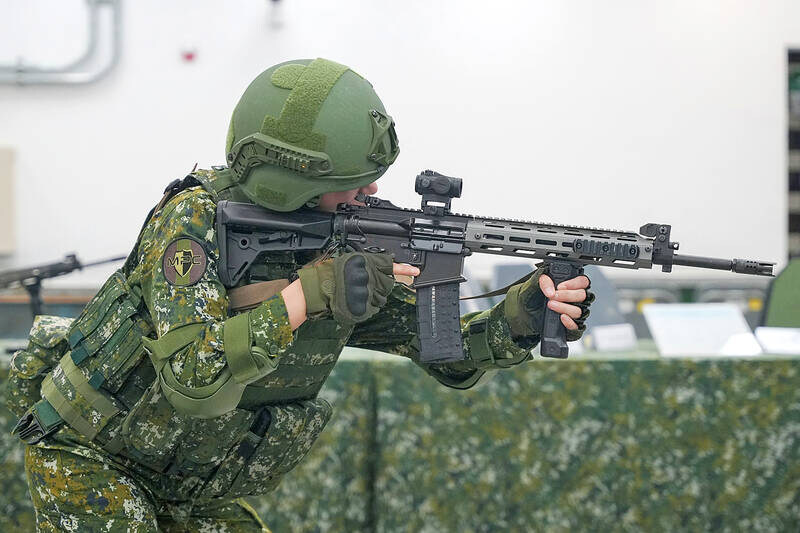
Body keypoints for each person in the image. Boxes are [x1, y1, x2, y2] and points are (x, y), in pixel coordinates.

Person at [7, 58, 593, 532]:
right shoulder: (194, 220)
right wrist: (307, 295)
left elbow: (446, 350)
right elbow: (193, 381)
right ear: (291, 181)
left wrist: (523, 312)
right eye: (351, 182)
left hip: (192, 480)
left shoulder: (346, 235)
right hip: (95, 453)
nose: (372, 190)